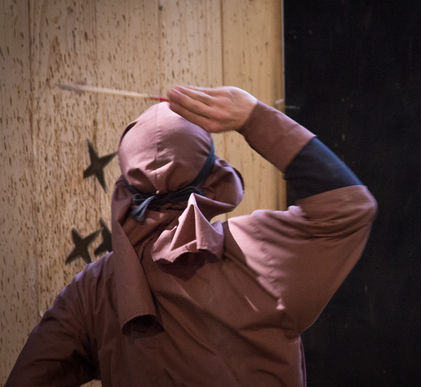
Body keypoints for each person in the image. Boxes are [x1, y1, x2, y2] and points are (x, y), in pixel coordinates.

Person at [6, 85, 377, 386]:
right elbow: (350, 208)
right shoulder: (255, 252)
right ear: (216, 179)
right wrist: (252, 117)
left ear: (123, 188)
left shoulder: (91, 292)